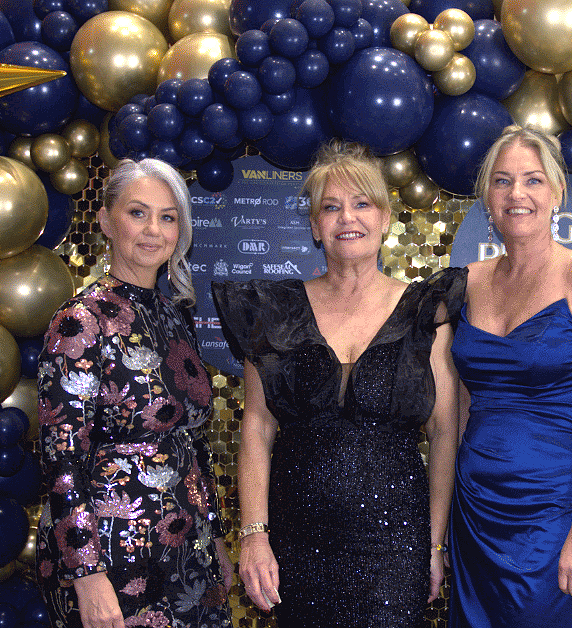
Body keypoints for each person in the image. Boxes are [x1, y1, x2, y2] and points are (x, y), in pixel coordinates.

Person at [211, 141, 462, 628]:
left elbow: (445, 432)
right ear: (314, 226)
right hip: (297, 544)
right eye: (331, 206)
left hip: (394, 545)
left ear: (385, 218)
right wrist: (255, 535)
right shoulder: (272, 311)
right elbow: (258, 429)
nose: (348, 217)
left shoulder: (425, 313)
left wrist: (434, 543)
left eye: (362, 203)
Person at [37, 158, 233, 628]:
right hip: (114, 554)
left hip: (188, 548)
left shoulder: (172, 315)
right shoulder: (80, 322)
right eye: (137, 213)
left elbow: (191, 441)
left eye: (167, 217)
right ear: (105, 220)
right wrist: (87, 576)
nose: (154, 230)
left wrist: (216, 538)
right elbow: (60, 461)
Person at [448, 126, 572, 628]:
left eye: (532, 180)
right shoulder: (467, 281)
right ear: (487, 196)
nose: (517, 194)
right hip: (475, 510)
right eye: (503, 181)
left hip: (553, 514)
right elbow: (461, 406)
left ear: (555, 192)